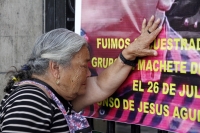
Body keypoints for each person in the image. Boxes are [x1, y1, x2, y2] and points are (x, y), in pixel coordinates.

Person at [0, 16, 161, 133]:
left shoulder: (56, 96)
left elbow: (100, 85)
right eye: (83, 66)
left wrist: (129, 54)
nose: (88, 73)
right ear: (56, 68)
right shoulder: (31, 100)